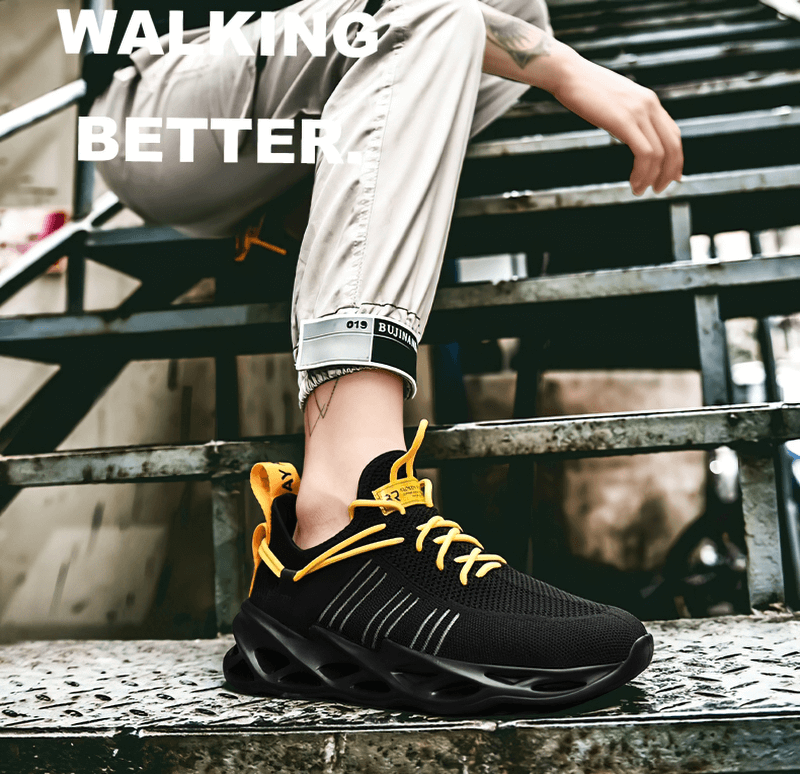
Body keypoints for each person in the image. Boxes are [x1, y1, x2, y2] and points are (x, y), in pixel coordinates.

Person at [88, 0, 683, 712]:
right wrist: (563, 70)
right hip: (162, 107)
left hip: (291, 116)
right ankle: (339, 522)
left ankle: (316, 578)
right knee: (437, 12)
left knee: (516, 10)